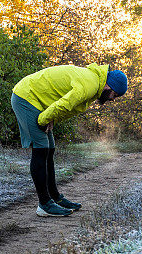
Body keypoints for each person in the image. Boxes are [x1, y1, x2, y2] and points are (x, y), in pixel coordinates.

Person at [11, 63, 128, 217]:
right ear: (109, 86)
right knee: (41, 148)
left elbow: (68, 108)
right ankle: (44, 204)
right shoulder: (90, 85)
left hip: (37, 101)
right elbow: (65, 104)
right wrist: (43, 119)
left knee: (49, 149)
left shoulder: (93, 84)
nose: (113, 99)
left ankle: (55, 198)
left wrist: (51, 118)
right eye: (115, 95)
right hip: (26, 98)